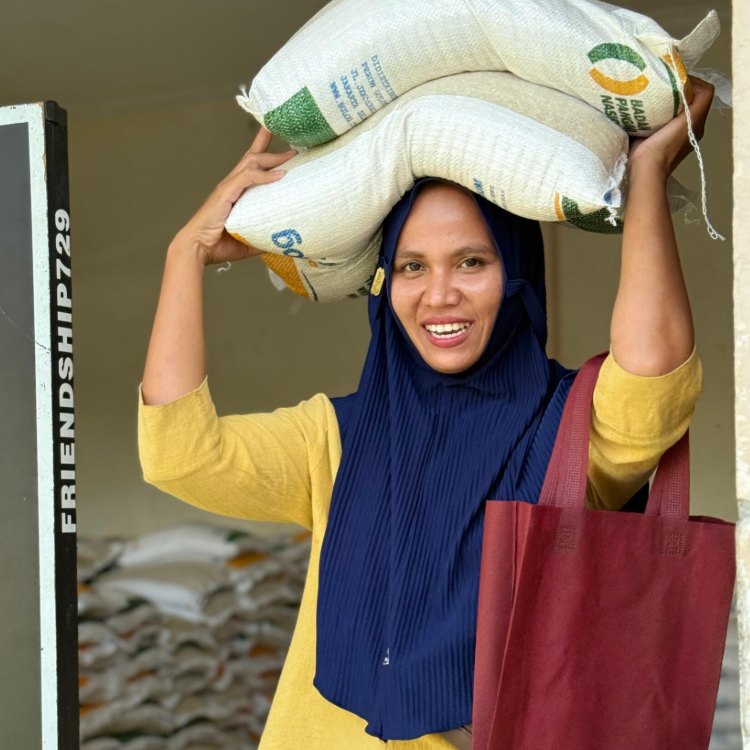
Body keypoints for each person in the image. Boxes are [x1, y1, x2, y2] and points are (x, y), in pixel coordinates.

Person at [138, 77, 714, 749]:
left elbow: (654, 376)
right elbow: (181, 454)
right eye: (410, 267)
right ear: (384, 289)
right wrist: (187, 253)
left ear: (517, 278)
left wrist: (644, 177)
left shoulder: (567, 431)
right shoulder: (337, 438)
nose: (438, 295)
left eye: (470, 262)